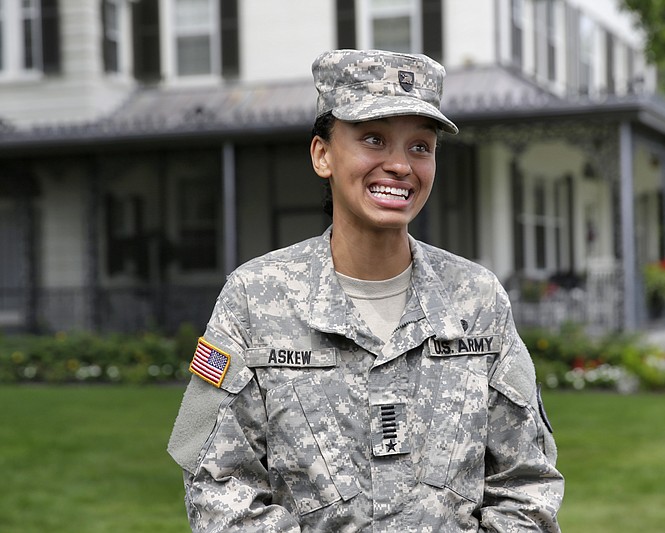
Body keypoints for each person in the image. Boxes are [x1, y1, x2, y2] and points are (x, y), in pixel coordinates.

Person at [167, 48, 564, 532]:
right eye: (373, 140)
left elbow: (527, 486)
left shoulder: (476, 300)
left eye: (420, 146)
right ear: (322, 154)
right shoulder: (255, 298)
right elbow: (218, 487)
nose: (400, 165)